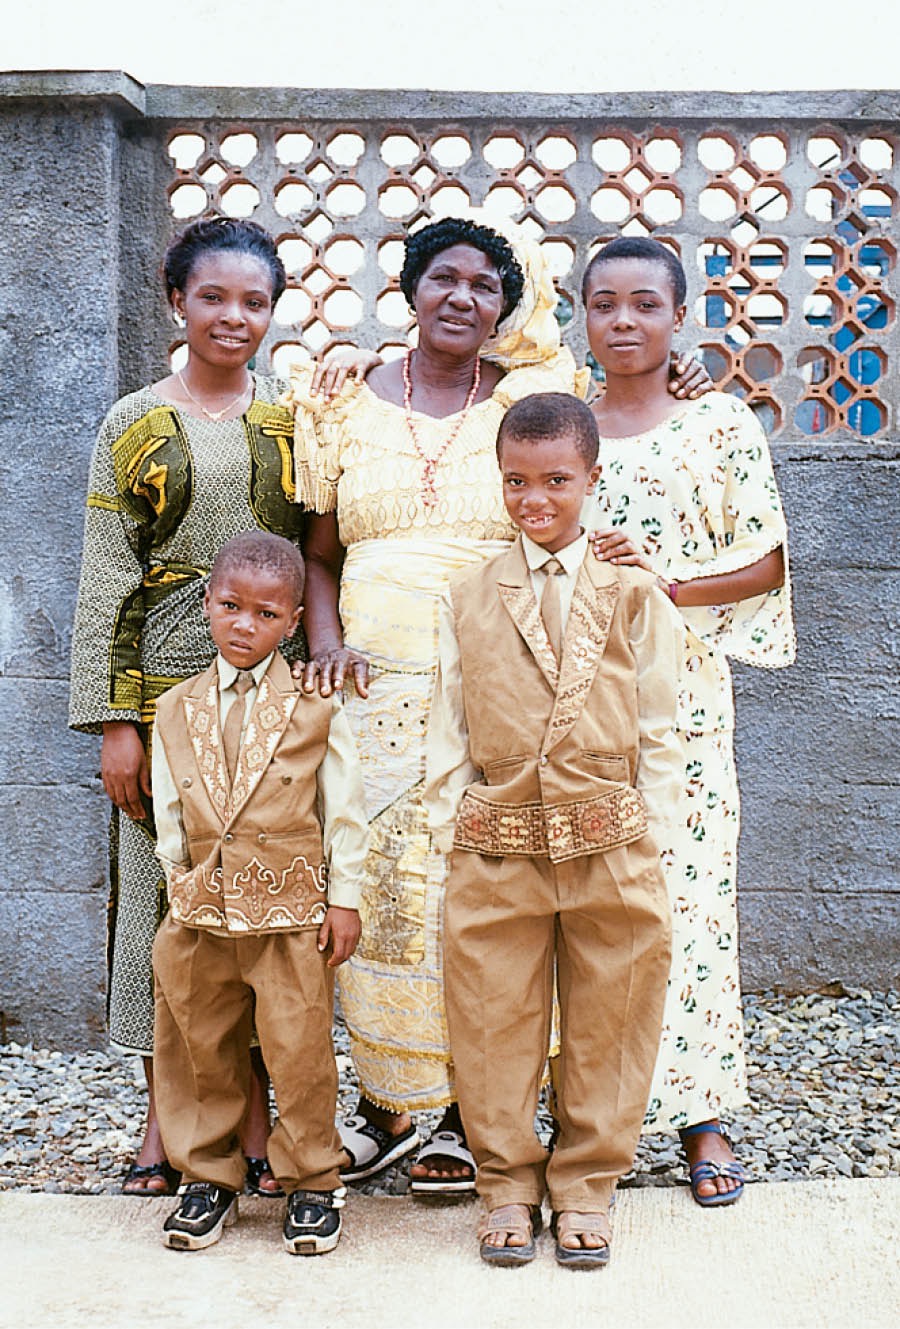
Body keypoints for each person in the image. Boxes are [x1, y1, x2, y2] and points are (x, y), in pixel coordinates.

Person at [287, 211, 709, 1195]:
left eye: (486, 285)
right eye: (444, 277)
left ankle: (478, 1118)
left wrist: (686, 380)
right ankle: (393, 1103)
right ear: (408, 288)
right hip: (370, 680)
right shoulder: (342, 402)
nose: (462, 297)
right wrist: (328, 642)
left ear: (502, 310)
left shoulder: (527, 396)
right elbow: (317, 553)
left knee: (483, 897)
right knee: (382, 885)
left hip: (499, 679)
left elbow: (601, 432)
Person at [69, 218, 304, 1196]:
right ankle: (163, 1124)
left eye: (254, 301)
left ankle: (255, 1125)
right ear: (178, 301)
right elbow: (103, 580)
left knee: (252, 914)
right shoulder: (134, 422)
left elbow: (322, 551)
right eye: (214, 297)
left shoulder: (294, 424)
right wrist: (114, 723)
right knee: (167, 913)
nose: (233, 317)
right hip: (162, 701)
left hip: (267, 708)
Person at [423, 392, 680, 1267]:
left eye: (557, 480)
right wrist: (449, 819)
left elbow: (659, 724)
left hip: (611, 836)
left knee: (613, 1012)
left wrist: (658, 837)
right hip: (499, 838)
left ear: (591, 479)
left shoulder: (633, 591)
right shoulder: (466, 593)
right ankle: (504, 1182)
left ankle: (587, 1184)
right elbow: (446, 720)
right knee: (493, 1011)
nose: (536, 500)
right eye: (517, 482)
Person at [582, 235, 795, 1206]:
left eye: (644, 304)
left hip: (684, 700)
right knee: (586, 906)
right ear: (580, 316)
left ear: (677, 317)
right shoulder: (556, 422)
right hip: (572, 700)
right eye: (605, 303)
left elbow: (766, 562)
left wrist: (665, 585)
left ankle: (702, 1117)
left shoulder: (720, 424)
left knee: (689, 902)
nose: (624, 320)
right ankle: (598, 1119)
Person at [151, 532, 366, 1253]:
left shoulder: (312, 700)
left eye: (266, 614)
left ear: (295, 620)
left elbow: (343, 808)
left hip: (290, 911)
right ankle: (207, 1176)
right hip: (202, 911)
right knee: (199, 1044)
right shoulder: (176, 707)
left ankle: (311, 1181)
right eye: (230, 607)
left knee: (299, 1045)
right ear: (207, 604)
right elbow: (169, 809)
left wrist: (345, 897)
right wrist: (178, 880)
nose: (245, 625)